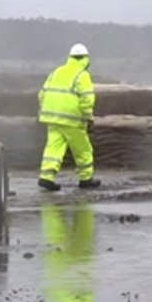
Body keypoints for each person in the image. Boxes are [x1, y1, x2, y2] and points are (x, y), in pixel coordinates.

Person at [37, 42, 100, 191]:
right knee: (83, 150)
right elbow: (87, 98)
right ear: (86, 59)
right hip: (72, 121)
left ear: (70, 57)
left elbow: (42, 94)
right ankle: (86, 179)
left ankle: (46, 177)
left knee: (53, 149)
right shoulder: (82, 75)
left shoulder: (57, 71)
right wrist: (88, 117)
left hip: (52, 118)